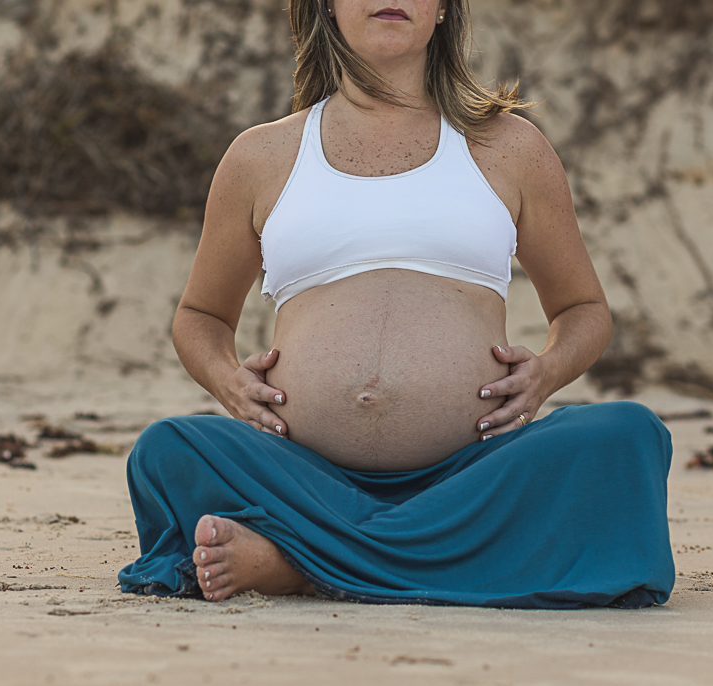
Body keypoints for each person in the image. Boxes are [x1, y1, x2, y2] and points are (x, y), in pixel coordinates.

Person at [117, 0, 674, 608]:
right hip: (305, 477)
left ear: (442, 11)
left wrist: (546, 372)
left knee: (628, 436)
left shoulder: (509, 146)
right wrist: (226, 381)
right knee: (166, 450)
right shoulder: (262, 156)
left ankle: (301, 564)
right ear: (327, 7)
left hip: (471, 476)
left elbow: (584, 309)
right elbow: (201, 315)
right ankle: (417, 558)